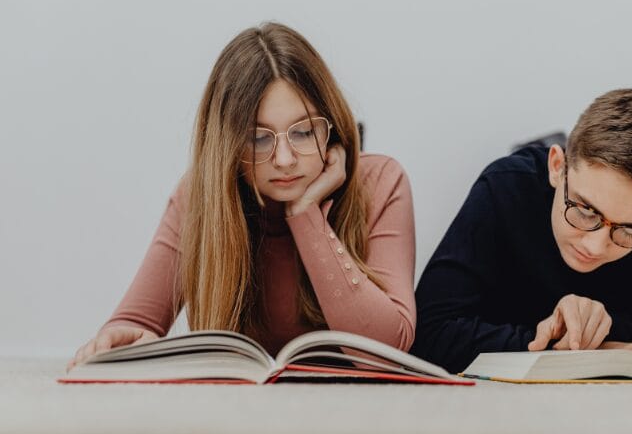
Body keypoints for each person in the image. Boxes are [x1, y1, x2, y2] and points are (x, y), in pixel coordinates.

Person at [69, 23, 416, 368]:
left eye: (304, 132)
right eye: (258, 139)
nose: (284, 160)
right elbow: (136, 323)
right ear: (229, 146)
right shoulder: (200, 198)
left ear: (332, 126)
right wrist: (120, 339)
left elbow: (384, 353)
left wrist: (306, 213)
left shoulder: (380, 183)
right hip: (241, 413)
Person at [411, 89, 632, 373]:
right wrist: (585, 350)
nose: (595, 246)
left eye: (630, 231)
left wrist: (603, 326)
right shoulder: (506, 186)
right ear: (557, 166)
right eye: (586, 211)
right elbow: (430, 336)